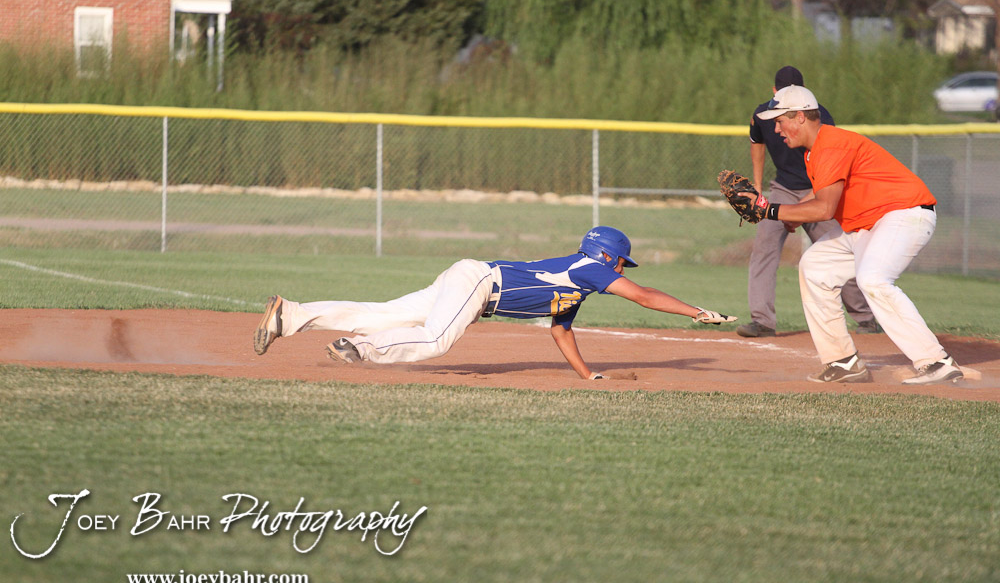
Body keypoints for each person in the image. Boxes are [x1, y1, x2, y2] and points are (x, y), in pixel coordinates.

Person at [253, 226, 735, 380]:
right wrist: (697, 311)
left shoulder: (575, 280)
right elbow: (644, 296)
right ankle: (362, 349)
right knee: (437, 340)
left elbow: (561, 329)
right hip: (481, 283)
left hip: (471, 277)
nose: (622, 271)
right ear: (609, 257)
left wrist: (588, 375)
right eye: (621, 264)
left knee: (385, 312)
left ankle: (291, 315)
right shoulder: (588, 269)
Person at [751, 85, 963, 385]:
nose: (776, 129)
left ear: (799, 117)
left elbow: (824, 209)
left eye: (779, 120)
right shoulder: (815, 152)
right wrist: (787, 213)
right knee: (815, 267)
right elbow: (821, 200)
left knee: (872, 279)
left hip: (903, 214)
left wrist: (768, 211)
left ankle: (936, 362)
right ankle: (843, 361)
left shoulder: (832, 144)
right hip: (866, 225)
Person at [739, 65, 877, 338]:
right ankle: (762, 321)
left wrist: (804, 204)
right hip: (782, 188)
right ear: (776, 93)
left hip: (819, 190)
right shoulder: (763, 114)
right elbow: (757, 141)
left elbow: (829, 160)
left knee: (838, 252)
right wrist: (757, 186)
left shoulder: (819, 117)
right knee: (764, 250)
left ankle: (867, 318)